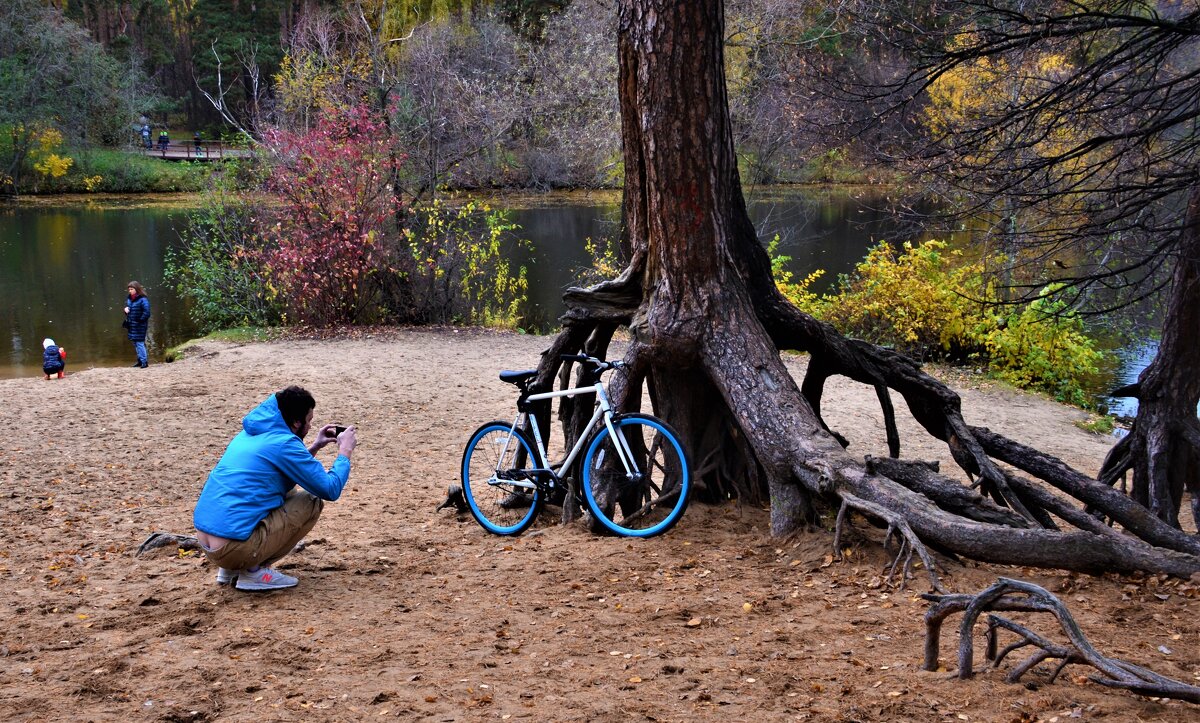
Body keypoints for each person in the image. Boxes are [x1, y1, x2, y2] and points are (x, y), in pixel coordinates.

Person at [193, 386, 358, 591]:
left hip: (208, 543)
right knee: (311, 501)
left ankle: (232, 570)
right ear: (296, 422)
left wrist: (315, 446)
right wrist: (345, 451)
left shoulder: (250, 433)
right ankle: (252, 572)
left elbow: (278, 470)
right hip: (234, 549)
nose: (309, 426)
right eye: (308, 421)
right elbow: (329, 489)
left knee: (284, 491)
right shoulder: (285, 443)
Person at [123, 281, 151, 368]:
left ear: (137, 289)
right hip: (132, 325)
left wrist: (140, 320)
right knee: (135, 343)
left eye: (132, 289)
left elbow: (147, 313)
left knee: (139, 343)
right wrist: (126, 310)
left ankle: (144, 362)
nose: (130, 291)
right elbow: (129, 311)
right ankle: (139, 361)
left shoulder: (143, 299)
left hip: (140, 325)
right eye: (129, 289)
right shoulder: (129, 299)